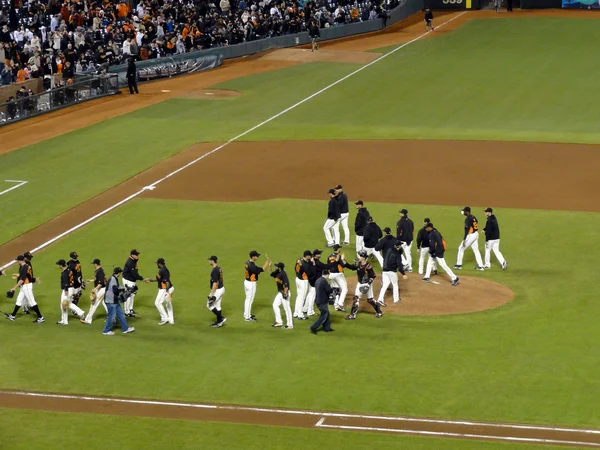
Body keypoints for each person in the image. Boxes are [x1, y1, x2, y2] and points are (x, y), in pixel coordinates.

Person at [4, 254, 45, 323]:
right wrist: (18, 275)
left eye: (17, 261)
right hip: (24, 286)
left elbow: (22, 280)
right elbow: (26, 276)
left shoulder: (24, 267)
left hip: (26, 286)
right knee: (19, 300)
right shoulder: (26, 266)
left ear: (20, 261)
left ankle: (40, 317)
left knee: (32, 302)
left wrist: (14, 288)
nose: (17, 262)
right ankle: (13, 315)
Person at [344, 252, 383, 320]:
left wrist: (368, 285)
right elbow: (352, 267)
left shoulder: (368, 266)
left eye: (360, 256)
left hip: (367, 284)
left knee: (370, 300)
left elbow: (373, 276)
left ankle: (379, 312)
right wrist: (344, 261)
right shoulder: (359, 264)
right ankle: (353, 315)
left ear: (364, 258)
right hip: (360, 284)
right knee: (356, 298)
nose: (359, 257)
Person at [102, 267, 135, 335]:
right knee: (111, 316)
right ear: (118, 273)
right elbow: (115, 290)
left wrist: (125, 288)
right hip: (110, 300)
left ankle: (125, 328)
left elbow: (117, 287)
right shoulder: (113, 279)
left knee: (120, 314)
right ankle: (106, 331)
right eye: (120, 272)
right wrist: (123, 290)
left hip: (114, 300)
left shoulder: (114, 278)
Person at [56, 259, 86, 325]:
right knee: (69, 304)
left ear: (61, 265)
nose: (58, 266)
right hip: (71, 288)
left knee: (64, 304)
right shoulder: (69, 270)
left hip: (67, 290)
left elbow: (66, 284)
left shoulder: (64, 274)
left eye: (59, 265)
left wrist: (66, 295)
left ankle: (64, 321)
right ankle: (80, 313)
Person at [378, 241, 408, 306]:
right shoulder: (397, 254)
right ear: (399, 246)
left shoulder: (388, 250)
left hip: (384, 271)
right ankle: (396, 299)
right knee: (395, 285)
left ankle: (380, 299)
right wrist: (403, 274)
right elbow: (399, 266)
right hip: (392, 272)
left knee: (385, 285)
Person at [454, 207, 485, 271]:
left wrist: (464, 239)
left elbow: (467, 229)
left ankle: (459, 265)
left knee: (461, 248)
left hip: (471, 235)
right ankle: (481, 266)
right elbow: (476, 222)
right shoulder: (473, 217)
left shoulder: (468, 219)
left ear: (467, 212)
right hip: (476, 234)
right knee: (476, 250)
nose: (463, 212)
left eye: (464, 211)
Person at [243, 250, 270, 321]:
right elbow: (263, 269)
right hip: (251, 283)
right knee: (250, 299)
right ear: (253, 257)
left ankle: (246, 314)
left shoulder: (247, 262)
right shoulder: (252, 266)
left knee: (247, 299)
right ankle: (247, 317)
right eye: (256, 256)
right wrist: (267, 262)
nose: (257, 257)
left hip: (246, 281)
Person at [123, 249, 150, 317]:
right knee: (128, 295)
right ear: (132, 255)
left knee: (132, 295)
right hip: (128, 280)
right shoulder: (130, 262)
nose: (138, 256)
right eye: (136, 255)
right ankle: (126, 312)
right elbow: (134, 274)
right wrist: (143, 279)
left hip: (132, 280)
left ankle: (130, 309)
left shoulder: (133, 260)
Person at [81, 259, 107, 324]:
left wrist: (95, 289)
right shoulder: (98, 270)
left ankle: (88, 320)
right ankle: (113, 318)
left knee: (93, 304)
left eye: (93, 264)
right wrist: (92, 280)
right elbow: (99, 279)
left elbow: (100, 283)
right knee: (105, 303)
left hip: (101, 290)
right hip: (102, 289)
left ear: (95, 264)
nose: (93, 265)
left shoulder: (100, 271)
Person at [309, 270, 334, 334]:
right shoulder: (324, 281)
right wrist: (331, 287)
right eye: (328, 275)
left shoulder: (318, 280)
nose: (328, 276)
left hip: (318, 300)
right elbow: (328, 291)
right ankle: (313, 327)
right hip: (322, 301)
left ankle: (327, 328)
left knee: (327, 313)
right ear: (326, 274)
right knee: (324, 315)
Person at [270, 262, 293, 329]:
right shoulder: (277, 272)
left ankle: (290, 325)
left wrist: (285, 293)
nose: (276, 267)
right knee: (275, 305)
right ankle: (279, 321)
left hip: (285, 292)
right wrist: (270, 266)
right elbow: (271, 274)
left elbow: (287, 285)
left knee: (287, 308)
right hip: (280, 292)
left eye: (277, 266)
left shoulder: (283, 274)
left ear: (279, 268)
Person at [153, 258, 175, 325]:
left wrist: (166, 292)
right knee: (168, 304)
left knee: (157, 303)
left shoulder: (163, 271)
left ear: (160, 264)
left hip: (165, 289)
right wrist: (150, 280)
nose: (157, 265)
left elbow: (167, 282)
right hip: (170, 288)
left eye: (157, 263)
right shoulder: (163, 269)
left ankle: (164, 318)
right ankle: (171, 320)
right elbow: (158, 278)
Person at [207, 256, 227, 327]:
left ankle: (221, 318)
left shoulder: (214, 271)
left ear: (212, 261)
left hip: (217, 290)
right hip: (222, 289)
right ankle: (219, 323)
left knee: (209, 305)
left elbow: (215, 283)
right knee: (218, 306)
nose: (209, 261)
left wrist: (211, 294)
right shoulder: (219, 268)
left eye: (209, 260)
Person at [327, 244, 348, 312]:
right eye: (339, 248)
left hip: (331, 274)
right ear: (338, 249)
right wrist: (343, 259)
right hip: (338, 274)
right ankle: (340, 304)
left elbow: (328, 265)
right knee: (345, 289)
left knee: (336, 289)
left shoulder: (329, 256)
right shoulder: (338, 256)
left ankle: (336, 306)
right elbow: (343, 265)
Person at [293, 250, 312, 320]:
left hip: (297, 279)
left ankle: (296, 313)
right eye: (309, 255)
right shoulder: (304, 263)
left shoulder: (299, 260)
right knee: (302, 298)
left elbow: (295, 268)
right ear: (306, 256)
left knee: (299, 297)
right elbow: (307, 271)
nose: (310, 256)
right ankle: (300, 315)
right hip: (303, 281)